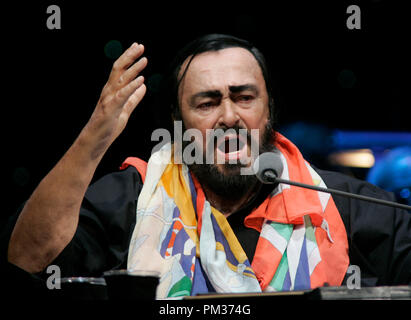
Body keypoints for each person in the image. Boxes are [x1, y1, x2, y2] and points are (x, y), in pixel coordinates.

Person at [1, 34, 410, 299]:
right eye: (207, 102)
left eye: (244, 97)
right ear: (179, 128)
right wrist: (94, 137)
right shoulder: (132, 199)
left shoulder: (344, 206)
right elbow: (28, 258)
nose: (229, 116)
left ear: (269, 114)